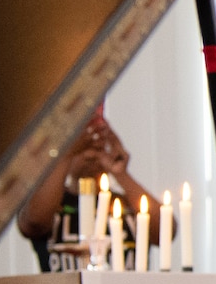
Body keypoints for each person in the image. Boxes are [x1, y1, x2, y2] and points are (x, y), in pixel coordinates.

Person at [16, 112, 152, 271]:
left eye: (97, 148)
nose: (90, 154)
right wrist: (65, 155)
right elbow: (34, 222)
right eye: (82, 147)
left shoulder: (126, 204)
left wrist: (121, 174)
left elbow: (166, 231)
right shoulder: (50, 205)